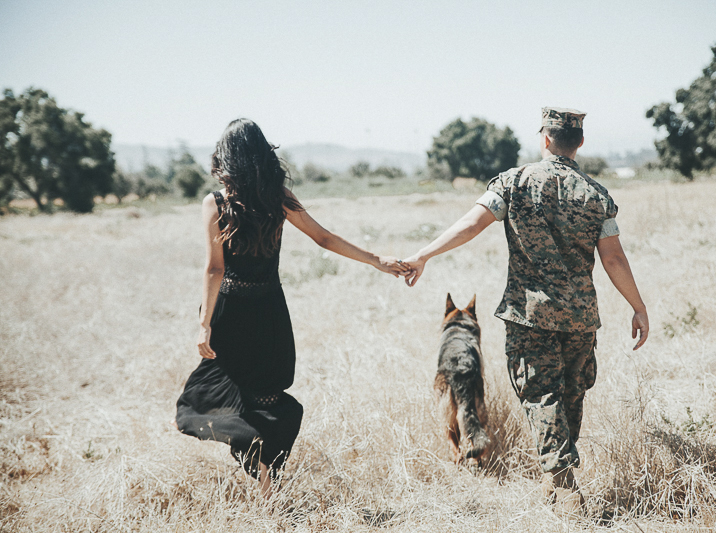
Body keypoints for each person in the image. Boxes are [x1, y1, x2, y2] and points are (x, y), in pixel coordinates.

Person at [401, 107, 649, 513]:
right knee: (570, 396)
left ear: (545, 138)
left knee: (543, 396)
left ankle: (565, 489)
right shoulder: (596, 195)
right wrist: (638, 307)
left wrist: (423, 255)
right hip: (581, 318)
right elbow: (615, 260)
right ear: (580, 142)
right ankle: (558, 483)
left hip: (531, 315)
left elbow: (471, 223)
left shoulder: (514, 182)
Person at [174, 118, 409, 497]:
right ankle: (268, 480)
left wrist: (204, 325)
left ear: (227, 156)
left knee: (203, 400)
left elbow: (215, 268)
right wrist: (376, 259)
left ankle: (255, 454)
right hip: (270, 311)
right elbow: (324, 238)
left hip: (232, 312)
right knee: (267, 398)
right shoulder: (277, 197)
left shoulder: (215, 202)